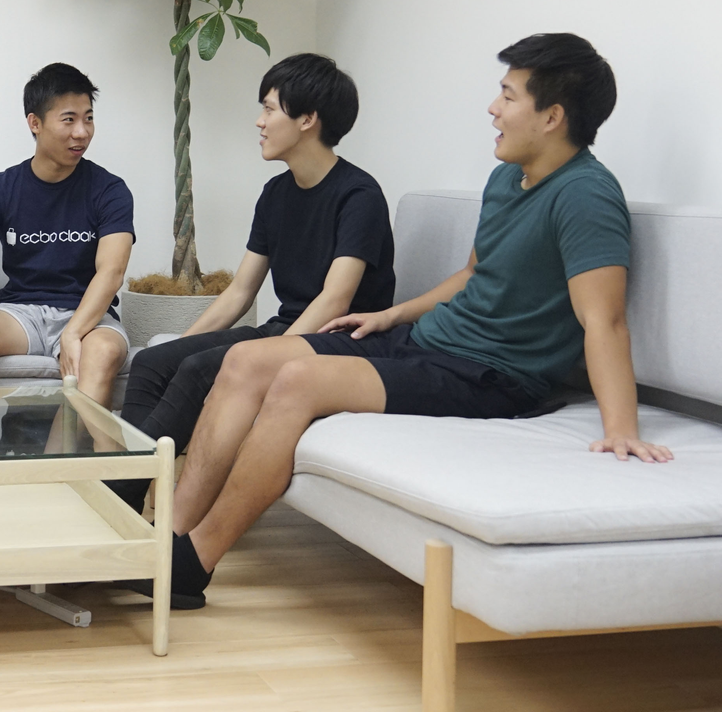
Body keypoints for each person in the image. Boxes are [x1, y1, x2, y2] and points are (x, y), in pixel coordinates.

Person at [130, 33, 673, 610]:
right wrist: (392, 313)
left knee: (296, 380)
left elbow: (604, 320)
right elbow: (474, 273)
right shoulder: (507, 179)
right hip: (427, 343)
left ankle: (193, 563)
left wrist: (622, 428)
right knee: (244, 360)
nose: (493, 108)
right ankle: (163, 539)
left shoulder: (586, 195)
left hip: (491, 374)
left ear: (552, 116)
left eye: (509, 96)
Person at [110, 54, 394, 511]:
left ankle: (116, 497)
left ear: (307, 119)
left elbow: (335, 300)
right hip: (289, 329)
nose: (259, 122)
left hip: (342, 340)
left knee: (200, 369)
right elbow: (241, 291)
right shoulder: (276, 193)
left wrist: (268, 355)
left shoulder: (359, 195)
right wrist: (182, 345)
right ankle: (128, 496)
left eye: (269, 109)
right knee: (153, 362)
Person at [0, 63, 134, 455]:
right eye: (69, 120)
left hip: (90, 315)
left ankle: (58, 474)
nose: (82, 132)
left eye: (88, 119)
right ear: (35, 123)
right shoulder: (0, 188)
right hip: (22, 313)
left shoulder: (109, 190)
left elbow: (111, 271)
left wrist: (74, 331)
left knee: (101, 351)